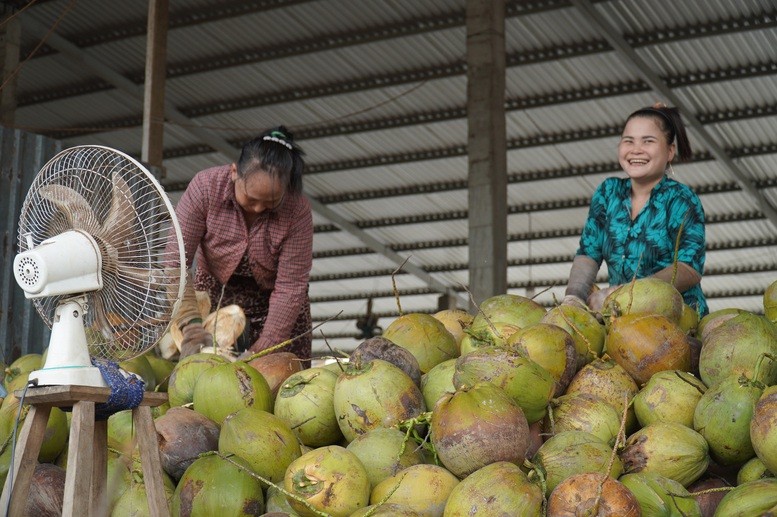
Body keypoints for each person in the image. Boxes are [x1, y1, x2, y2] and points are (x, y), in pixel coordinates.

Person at [171, 126, 314, 364]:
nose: (258, 209)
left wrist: (262, 350)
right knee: (210, 376)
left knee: (277, 382)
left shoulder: (297, 211)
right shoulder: (206, 188)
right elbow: (175, 261)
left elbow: (290, 287)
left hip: (277, 308)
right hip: (218, 299)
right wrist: (191, 325)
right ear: (235, 172)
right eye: (251, 199)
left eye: (270, 204)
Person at [562, 104, 708, 318]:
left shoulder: (681, 199)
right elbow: (588, 253)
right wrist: (573, 297)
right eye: (628, 141)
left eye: (648, 141)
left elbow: (689, 269)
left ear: (669, 151)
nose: (636, 149)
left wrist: (627, 293)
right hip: (620, 318)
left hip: (676, 318)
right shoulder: (608, 193)